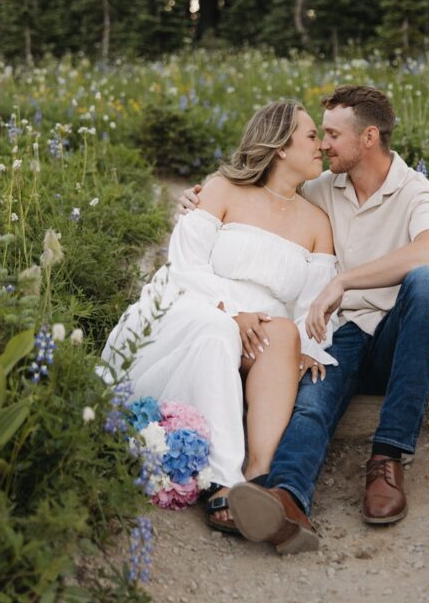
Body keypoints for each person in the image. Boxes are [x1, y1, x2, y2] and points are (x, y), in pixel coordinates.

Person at [179, 85, 429, 554]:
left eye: (331, 135)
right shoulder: (323, 186)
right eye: (318, 135)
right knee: (311, 402)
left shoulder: (414, 190)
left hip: (394, 338)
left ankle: (386, 458)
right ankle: (285, 498)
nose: (322, 145)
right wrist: (201, 195)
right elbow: (265, 181)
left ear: (368, 137)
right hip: (337, 333)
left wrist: (345, 282)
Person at [102, 101, 338, 535]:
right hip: (198, 302)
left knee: (287, 334)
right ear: (281, 146)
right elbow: (185, 265)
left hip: (263, 325)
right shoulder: (222, 189)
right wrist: (231, 310)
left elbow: (312, 304)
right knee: (218, 332)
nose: (320, 145)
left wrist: (308, 347)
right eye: (310, 136)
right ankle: (221, 478)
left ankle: (258, 477)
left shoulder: (317, 222)